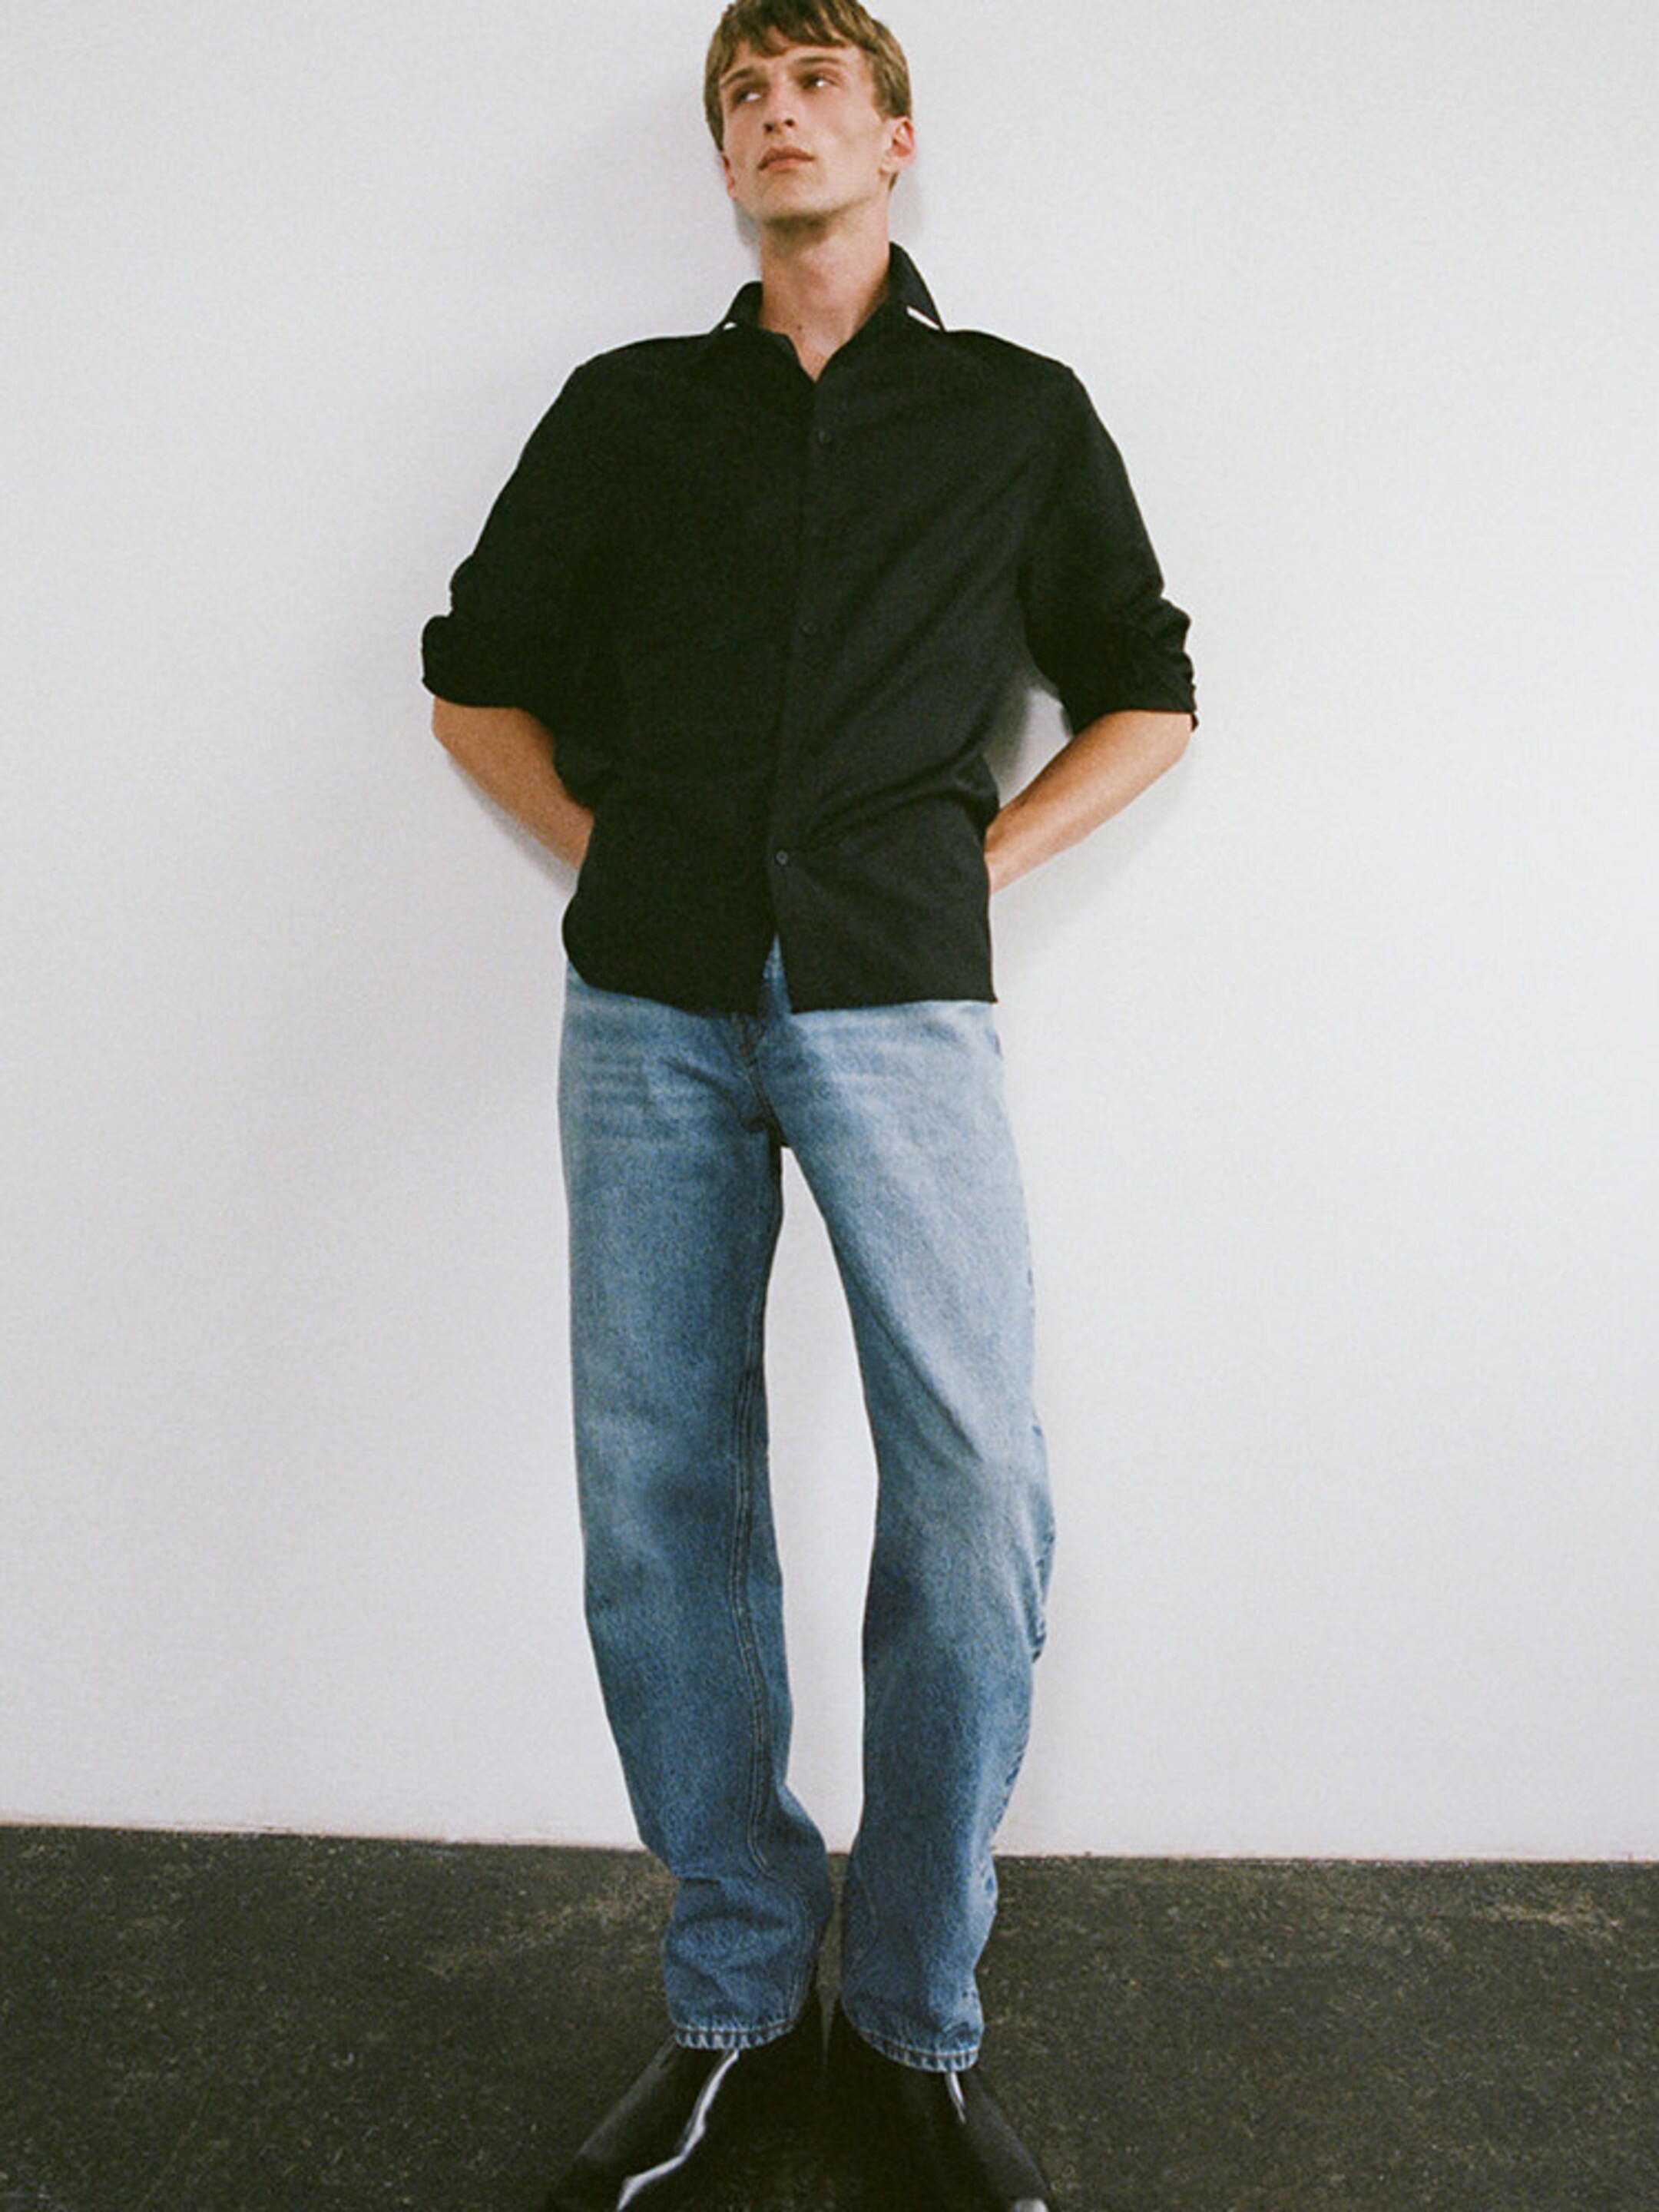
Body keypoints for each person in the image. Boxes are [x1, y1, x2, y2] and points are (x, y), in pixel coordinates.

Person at [422, 3, 1194, 2204]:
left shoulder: (1015, 418)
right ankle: (737, 2006)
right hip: (647, 1009)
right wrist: (617, 852)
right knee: (662, 1495)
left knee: (971, 1503)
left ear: (895, 139)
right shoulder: (628, 413)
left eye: (814, 86)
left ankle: (918, 2029)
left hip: (895, 1001)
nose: (779, 114)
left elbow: (1148, 689)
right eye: (743, 94)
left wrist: (979, 862)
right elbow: (473, 670)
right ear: (725, 160)